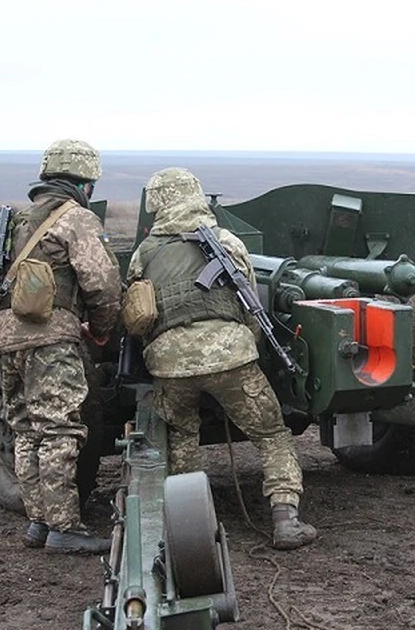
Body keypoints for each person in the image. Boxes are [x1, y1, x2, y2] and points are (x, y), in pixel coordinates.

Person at [126, 166, 316, 550]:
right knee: (271, 435)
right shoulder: (227, 241)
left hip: (169, 364)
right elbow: (251, 305)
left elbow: (137, 314)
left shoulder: (144, 253)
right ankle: (285, 520)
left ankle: (193, 526)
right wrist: (244, 351)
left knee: (182, 438)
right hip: (231, 356)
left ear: (156, 204)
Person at [0, 139, 122, 554]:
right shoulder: (76, 219)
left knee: (26, 429)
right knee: (60, 429)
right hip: (50, 338)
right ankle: (65, 528)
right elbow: (102, 283)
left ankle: (39, 522)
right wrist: (101, 329)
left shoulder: (18, 221)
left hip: (7, 338)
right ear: (85, 184)